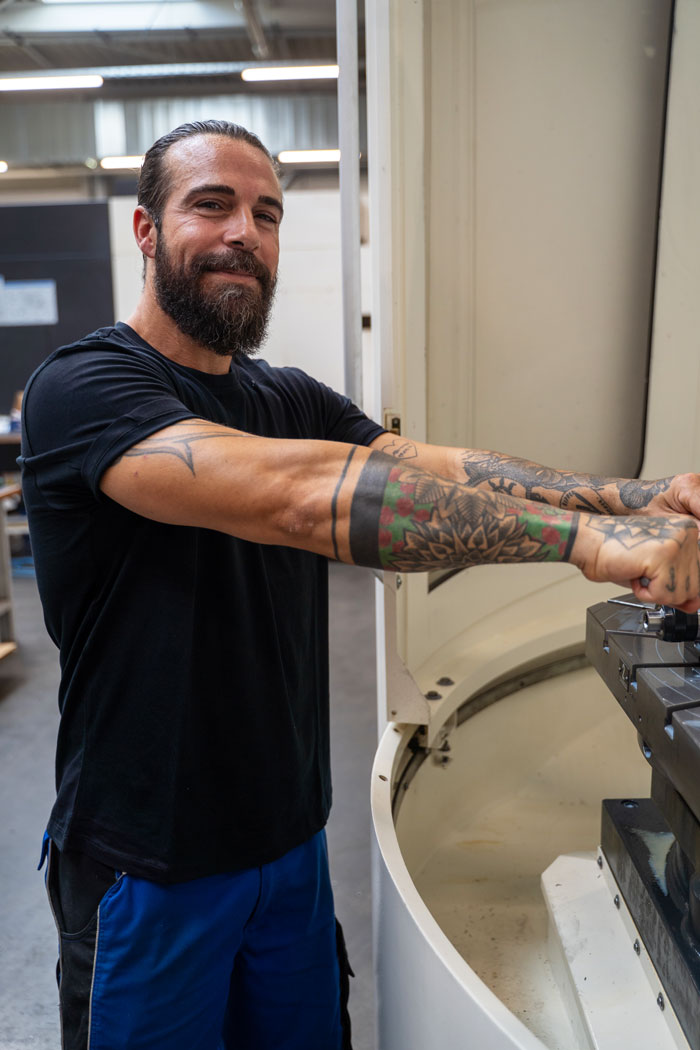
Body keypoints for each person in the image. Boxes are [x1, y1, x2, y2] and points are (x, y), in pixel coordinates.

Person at [20, 119, 700, 1050]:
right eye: (211, 205)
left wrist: (639, 496)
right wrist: (590, 541)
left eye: (266, 214)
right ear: (146, 229)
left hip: (290, 848)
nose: (243, 233)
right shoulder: (85, 388)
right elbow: (301, 499)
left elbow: (438, 468)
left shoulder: (286, 396)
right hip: (149, 868)